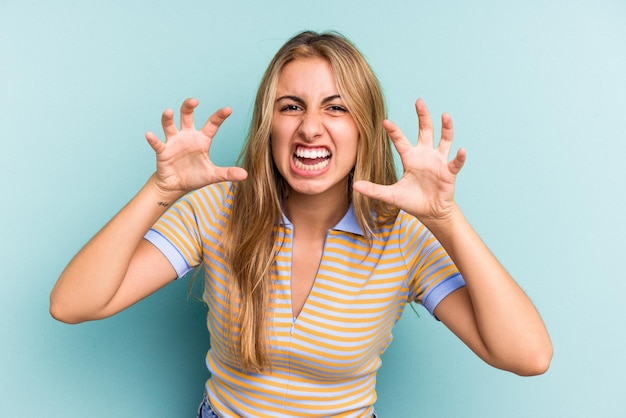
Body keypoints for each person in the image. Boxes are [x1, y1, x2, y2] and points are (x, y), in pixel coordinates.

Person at [50, 31, 552, 417]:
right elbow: (72, 304)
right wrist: (159, 192)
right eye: (291, 107)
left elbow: (528, 356)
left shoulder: (404, 238)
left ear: (364, 127)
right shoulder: (216, 210)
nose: (310, 126)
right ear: (269, 125)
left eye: (336, 108)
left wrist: (446, 218)